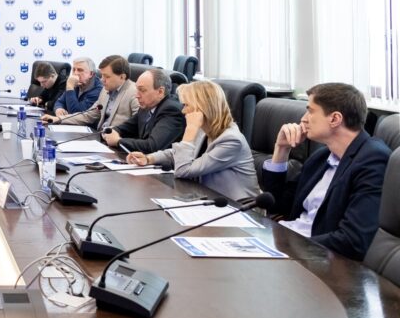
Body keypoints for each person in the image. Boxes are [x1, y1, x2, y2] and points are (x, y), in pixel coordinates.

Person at [260, 83, 389, 261]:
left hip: (315, 258)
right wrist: (281, 149)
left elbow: (352, 240)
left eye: (310, 111)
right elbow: (276, 204)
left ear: (335, 119)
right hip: (287, 243)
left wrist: (290, 245)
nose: (303, 119)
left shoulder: (373, 160)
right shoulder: (321, 158)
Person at [127, 81, 259, 201]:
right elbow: (179, 154)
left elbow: (183, 170)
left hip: (237, 207)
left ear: (202, 107)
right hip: (208, 198)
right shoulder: (204, 129)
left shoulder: (231, 140)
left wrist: (190, 129)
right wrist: (149, 158)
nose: (183, 111)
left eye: (186, 105)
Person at [102, 68, 186, 154]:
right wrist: (113, 132)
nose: (137, 95)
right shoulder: (146, 106)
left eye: (142, 90)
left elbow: (152, 146)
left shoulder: (171, 111)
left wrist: (118, 141)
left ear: (160, 92)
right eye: (137, 90)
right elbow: (125, 128)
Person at [45, 55, 136, 128]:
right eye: (102, 75)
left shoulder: (134, 93)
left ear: (122, 77)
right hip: (100, 137)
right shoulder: (105, 91)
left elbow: (139, 126)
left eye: (107, 76)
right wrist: (58, 119)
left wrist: (118, 136)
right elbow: (88, 115)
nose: (102, 80)